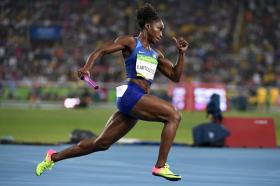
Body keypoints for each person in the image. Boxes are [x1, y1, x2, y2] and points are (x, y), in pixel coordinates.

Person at [36, 3, 188, 181]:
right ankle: (160, 166)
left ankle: (52, 157)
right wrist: (87, 67)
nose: (161, 34)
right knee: (174, 116)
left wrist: (181, 54)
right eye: (159, 29)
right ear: (147, 26)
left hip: (137, 100)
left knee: (101, 143)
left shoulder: (157, 55)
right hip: (131, 94)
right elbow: (100, 51)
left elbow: (176, 76)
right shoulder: (131, 42)